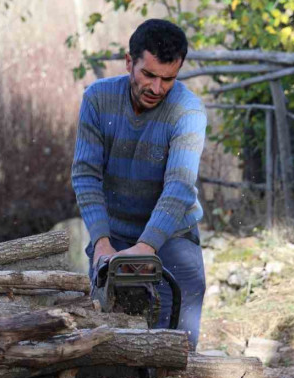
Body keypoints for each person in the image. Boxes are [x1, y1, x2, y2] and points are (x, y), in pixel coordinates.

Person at [71, 18, 207, 350]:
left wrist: (146, 248)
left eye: (168, 79)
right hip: (114, 233)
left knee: (176, 341)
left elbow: (179, 186)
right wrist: (101, 243)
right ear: (129, 62)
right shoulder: (98, 99)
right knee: (108, 335)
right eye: (149, 75)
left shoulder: (188, 111)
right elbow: (86, 174)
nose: (157, 88)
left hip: (172, 234)